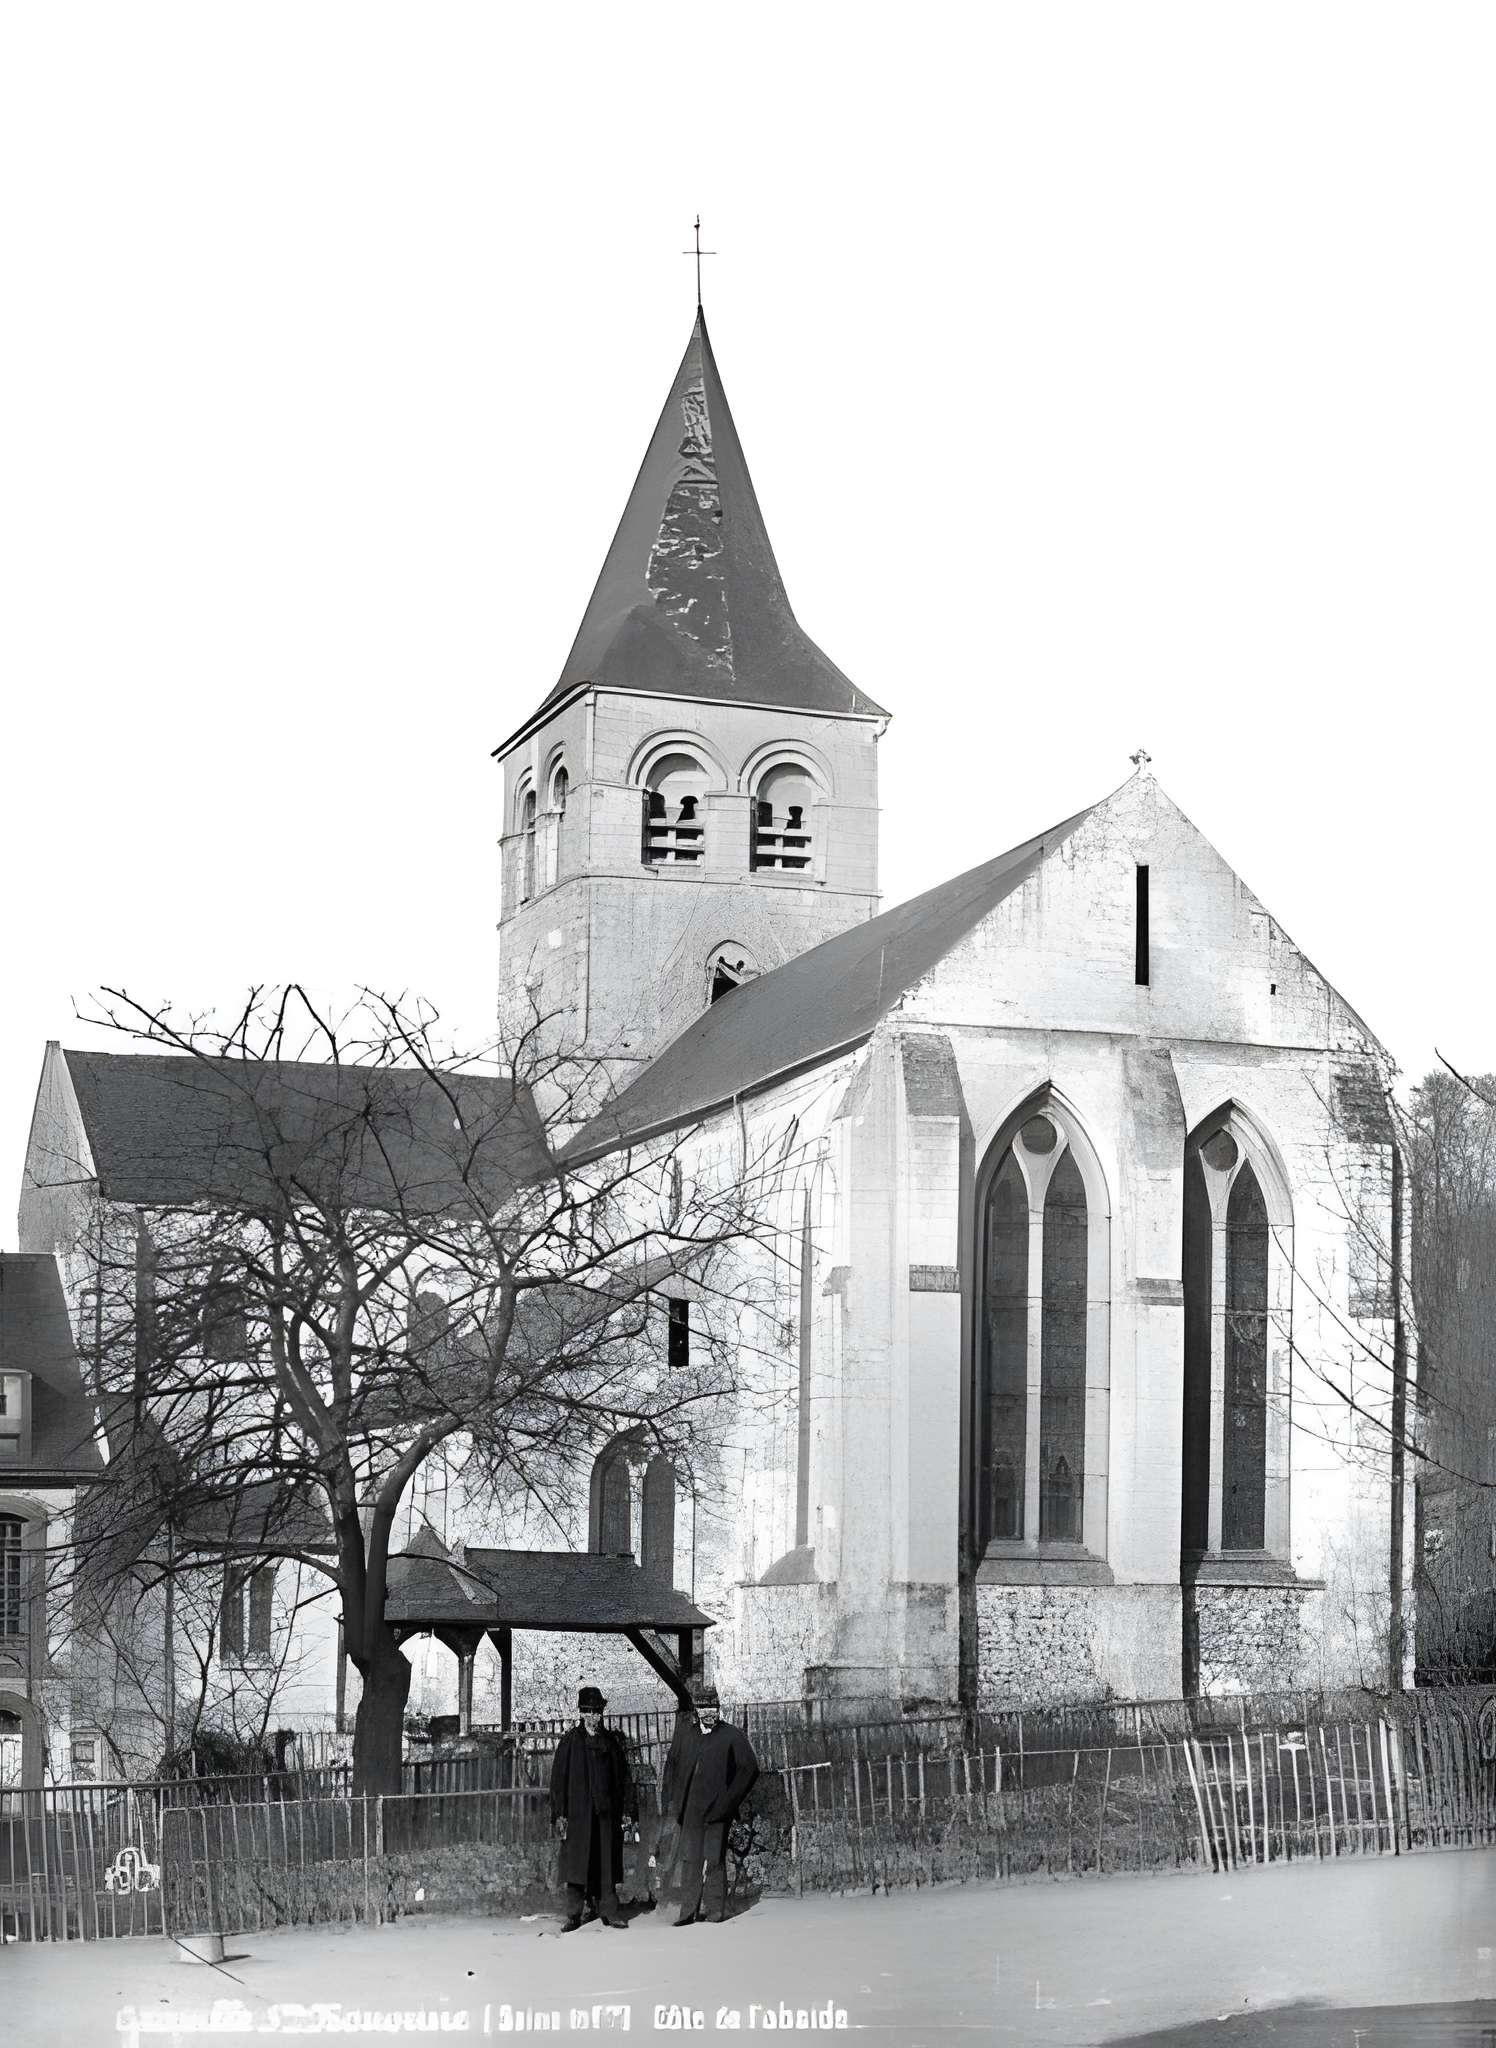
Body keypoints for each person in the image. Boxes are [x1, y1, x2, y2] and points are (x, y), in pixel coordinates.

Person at [660, 1682, 759, 1926]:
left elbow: (749, 1769)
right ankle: (687, 1913)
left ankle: (715, 1911)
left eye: (713, 1706)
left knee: (714, 1861)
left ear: (718, 1707)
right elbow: (671, 1766)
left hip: (717, 1810)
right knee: (691, 1861)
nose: (709, 1712)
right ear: (696, 1709)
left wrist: (729, 1800)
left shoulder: (732, 1735)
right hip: (690, 1810)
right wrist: (672, 1800)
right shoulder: (686, 1734)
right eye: (703, 1707)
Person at [550, 1685, 635, 1932]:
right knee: (576, 1866)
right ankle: (574, 1915)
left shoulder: (611, 1743)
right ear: (581, 1713)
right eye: (588, 1712)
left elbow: (623, 1779)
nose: (593, 1717)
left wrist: (628, 1811)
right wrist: (560, 1814)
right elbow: (558, 1780)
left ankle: (609, 1911)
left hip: (606, 1814)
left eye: (597, 1711)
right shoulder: (570, 1742)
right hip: (578, 1816)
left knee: (606, 1864)